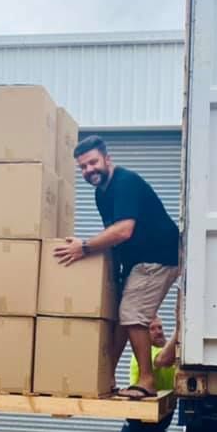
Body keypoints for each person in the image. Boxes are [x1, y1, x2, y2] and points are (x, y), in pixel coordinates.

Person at [53, 136, 180, 400]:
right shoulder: (101, 193)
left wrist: (84, 248)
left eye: (93, 163)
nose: (89, 170)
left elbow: (123, 231)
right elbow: (114, 235)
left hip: (158, 256)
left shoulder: (124, 182)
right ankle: (105, 376)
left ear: (107, 159)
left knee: (132, 312)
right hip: (138, 261)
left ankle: (146, 380)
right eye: (83, 167)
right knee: (123, 316)